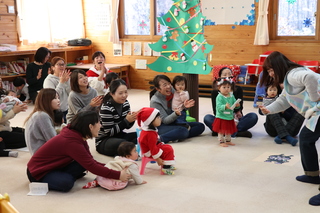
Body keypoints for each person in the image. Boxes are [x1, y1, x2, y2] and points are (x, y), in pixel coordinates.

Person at [258, 51, 320, 206]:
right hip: (316, 112)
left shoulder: (293, 74)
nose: (271, 74)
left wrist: (313, 97)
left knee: (306, 138)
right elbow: (284, 100)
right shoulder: (287, 80)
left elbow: (310, 78)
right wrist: (269, 109)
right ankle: (312, 174)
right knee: (306, 138)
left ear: (279, 66)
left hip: (317, 109)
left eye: (271, 70)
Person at [26, 111, 130, 192]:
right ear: (90, 126)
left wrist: (113, 167)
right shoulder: (72, 142)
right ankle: (58, 177)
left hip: (54, 166)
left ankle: (60, 175)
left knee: (83, 164)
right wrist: (118, 175)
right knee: (67, 183)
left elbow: (91, 162)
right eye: (98, 122)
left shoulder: (79, 136)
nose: (101, 126)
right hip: (37, 173)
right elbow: (92, 167)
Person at [203, 67, 258, 138]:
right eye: (224, 74)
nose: (227, 76)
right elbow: (216, 110)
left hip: (235, 118)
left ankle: (222, 132)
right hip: (222, 118)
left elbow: (239, 108)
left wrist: (237, 112)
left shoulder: (238, 89)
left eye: (229, 74)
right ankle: (236, 132)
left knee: (253, 116)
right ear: (220, 77)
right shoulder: (215, 92)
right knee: (207, 118)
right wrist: (225, 108)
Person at [150, 75, 205, 143]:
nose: (169, 87)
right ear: (158, 89)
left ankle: (177, 135)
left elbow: (181, 106)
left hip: (176, 122)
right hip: (162, 126)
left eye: (169, 83)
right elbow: (165, 120)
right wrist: (176, 113)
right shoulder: (155, 101)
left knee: (200, 126)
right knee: (183, 131)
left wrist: (185, 106)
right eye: (165, 85)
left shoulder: (174, 90)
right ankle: (159, 139)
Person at [96, 79, 138, 157]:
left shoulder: (125, 103)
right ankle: (128, 152)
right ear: (112, 94)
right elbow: (109, 132)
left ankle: (129, 151)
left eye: (126, 92)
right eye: (120, 93)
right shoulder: (106, 107)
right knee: (124, 144)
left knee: (140, 136)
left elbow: (128, 127)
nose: (124, 95)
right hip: (105, 140)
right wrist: (126, 120)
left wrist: (132, 119)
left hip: (119, 135)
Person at [137, 107, 175, 175]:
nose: (160, 119)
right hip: (150, 152)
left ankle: (168, 163)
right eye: (158, 118)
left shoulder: (149, 130)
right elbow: (152, 148)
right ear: (150, 121)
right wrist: (158, 159)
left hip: (151, 149)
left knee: (167, 146)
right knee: (168, 149)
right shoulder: (150, 134)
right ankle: (165, 167)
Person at [24, 88, 61, 155]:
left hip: (41, 153)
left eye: (58, 98)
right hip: (43, 155)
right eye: (55, 98)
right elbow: (53, 140)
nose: (58, 101)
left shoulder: (40, 114)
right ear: (46, 100)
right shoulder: (42, 116)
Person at [212, 78, 240, 147]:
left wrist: (237, 105)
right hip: (221, 116)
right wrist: (225, 106)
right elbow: (218, 106)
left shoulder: (231, 96)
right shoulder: (219, 97)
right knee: (221, 130)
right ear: (219, 88)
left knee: (228, 129)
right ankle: (221, 141)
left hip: (229, 116)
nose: (226, 89)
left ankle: (228, 140)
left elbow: (234, 104)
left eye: (228, 87)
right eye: (224, 87)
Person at [43, 56, 71, 122]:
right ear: (53, 67)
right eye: (59, 64)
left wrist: (66, 82)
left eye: (63, 64)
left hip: (67, 109)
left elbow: (70, 93)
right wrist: (61, 82)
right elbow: (52, 96)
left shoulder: (66, 78)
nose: (61, 66)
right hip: (55, 111)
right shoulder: (49, 80)